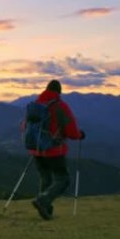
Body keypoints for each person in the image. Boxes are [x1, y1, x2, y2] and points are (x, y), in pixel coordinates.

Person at [29, 79, 84, 220]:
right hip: (54, 150)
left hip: (36, 150)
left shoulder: (35, 105)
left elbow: (25, 126)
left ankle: (45, 209)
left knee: (45, 177)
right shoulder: (60, 106)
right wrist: (79, 135)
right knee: (63, 179)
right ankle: (43, 201)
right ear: (59, 92)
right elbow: (71, 130)